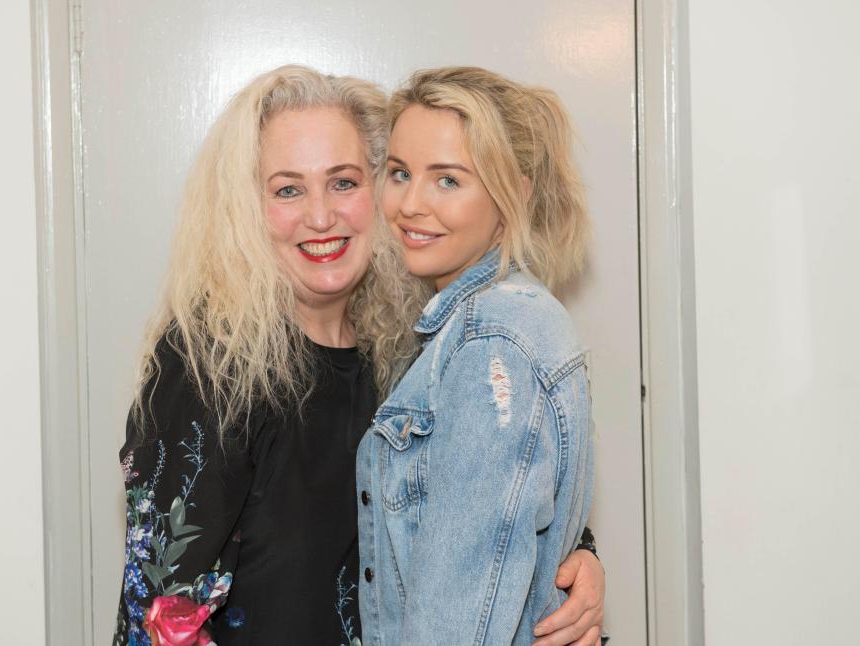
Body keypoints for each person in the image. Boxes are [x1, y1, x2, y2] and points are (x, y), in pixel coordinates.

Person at [112, 65, 602, 646]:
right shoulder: (207, 369)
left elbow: (486, 503)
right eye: (288, 189)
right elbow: (158, 620)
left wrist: (578, 561)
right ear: (243, 211)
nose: (321, 217)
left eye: (344, 182)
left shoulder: (408, 351)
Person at [357, 67, 597, 645]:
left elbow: (456, 620)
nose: (411, 204)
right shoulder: (510, 315)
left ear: (513, 191)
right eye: (400, 173)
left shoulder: (491, 341)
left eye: (448, 181)